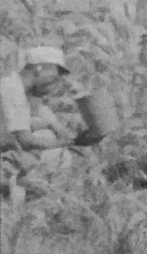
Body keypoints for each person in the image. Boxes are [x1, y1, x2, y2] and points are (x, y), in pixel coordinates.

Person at [1, 46, 103, 197]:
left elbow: (18, 126)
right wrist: (71, 142)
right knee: (57, 153)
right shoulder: (12, 91)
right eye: (56, 73)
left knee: (50, 140)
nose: (58, 80)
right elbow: (25, 141)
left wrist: (51, 125)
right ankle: (33, 198)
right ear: (39, 68)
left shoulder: (16, 86)